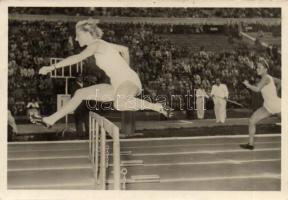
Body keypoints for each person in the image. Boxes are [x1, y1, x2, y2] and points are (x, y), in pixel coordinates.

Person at [32, 18, 171, 127]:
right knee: (80, 93)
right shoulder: (103, 44)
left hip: (129, 81)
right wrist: (124, 68)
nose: (75, 39)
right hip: (116, 84)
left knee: (119, 104)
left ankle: (158, 107)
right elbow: (124, 49)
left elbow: (77, 58)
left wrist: (51, 67)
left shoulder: (97, 45)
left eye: (77, 35)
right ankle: (50, 120)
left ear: (86, 34)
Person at [240, 58, 281, 150]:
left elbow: (257, 89)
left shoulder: (266, 77)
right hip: (267, 106)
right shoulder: (268, 77)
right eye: (257, 67)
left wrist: (248, 85)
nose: (257, 69)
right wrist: (276, 91)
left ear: (265, 69)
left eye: (259, 67)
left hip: (277, 105)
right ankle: (250, 145)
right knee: (251, 121)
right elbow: (280, 82)